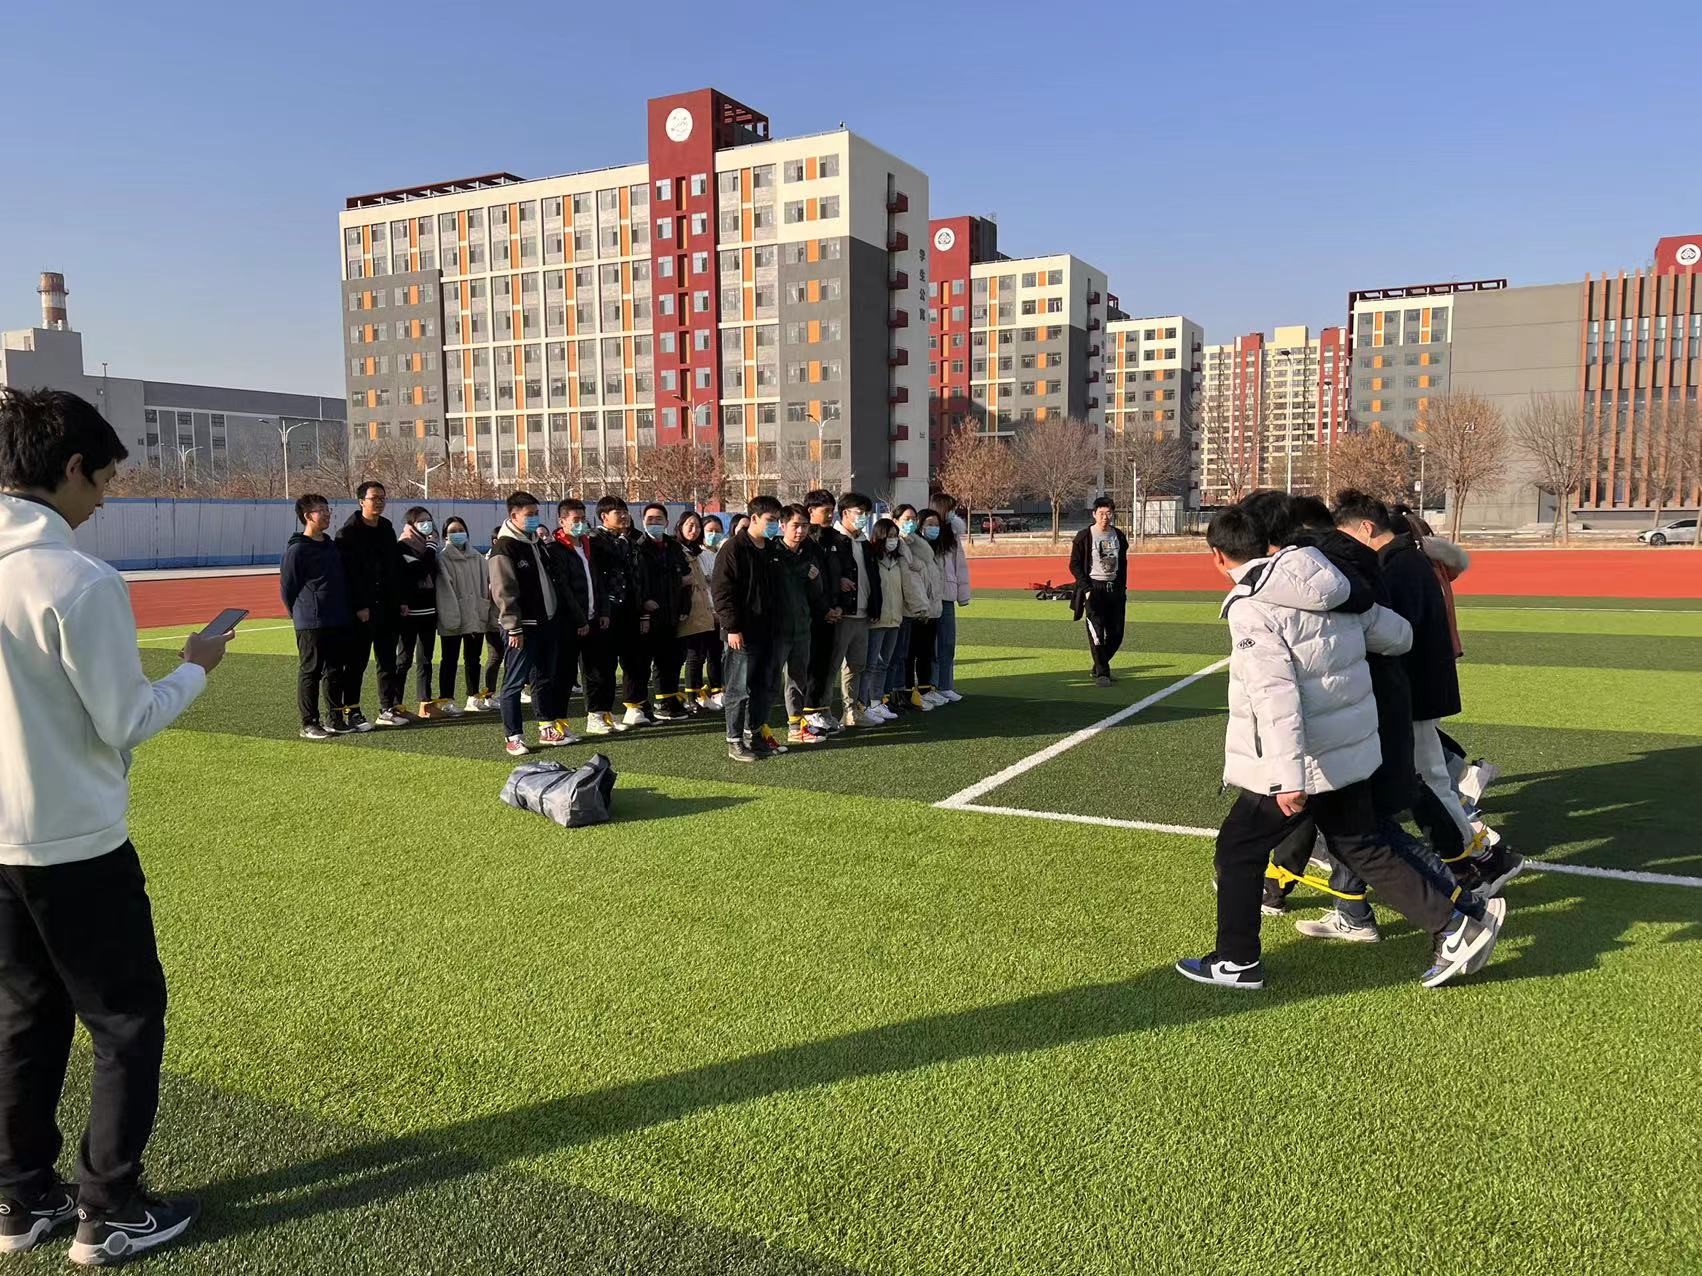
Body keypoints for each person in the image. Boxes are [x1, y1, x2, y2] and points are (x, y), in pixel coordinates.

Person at [0, 387, 227, 1263]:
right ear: (72, 468)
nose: (104, 498)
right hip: (73, 842)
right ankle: (110, 1208)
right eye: (103, 480)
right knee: (124, 1018)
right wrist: (195, 668)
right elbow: (125, 719)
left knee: (23, 1017)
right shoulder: (77, 579)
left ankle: (20, 1198)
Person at [1175, 504, 1505, 991]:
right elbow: (1398, 636)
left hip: (1303, 761)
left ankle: (1237, 960)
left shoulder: (1254, 605)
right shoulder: (1335, 585)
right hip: (1348, 752)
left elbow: (1275, 696)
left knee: (1239, 848)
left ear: (1219, 557)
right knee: (1362, 845)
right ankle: (1458, 922)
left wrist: (1286, 778)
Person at [1334, 490, 1523, 897]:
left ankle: (1486, 859)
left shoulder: (1401, 566)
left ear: (1366, 528)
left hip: (1413, 689)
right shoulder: (1407, 559)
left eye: (1347, 536)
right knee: (1431, 779)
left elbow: (1399, 634)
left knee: (1431, 781)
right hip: (1417, 687)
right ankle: (1483, 857)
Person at [488, 491, 569, 756]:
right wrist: (513, 626)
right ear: (514, 515)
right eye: (529, 515)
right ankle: (513, 736)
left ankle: (546, 727)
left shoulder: (536, 542)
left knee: (543, 677)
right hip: (522, 626)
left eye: (536, 514)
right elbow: (503, 590)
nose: (534, 519)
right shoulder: (505, 547)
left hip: (546, 622)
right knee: (514, 681)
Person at [712, 496, 783, 762]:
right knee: (738, 690)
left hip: (768, 631)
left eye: (777, 520)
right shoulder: (733, 548)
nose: (775, 525)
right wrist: (731, 627)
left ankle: (754, 734)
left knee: (763, 686)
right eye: (770, 520)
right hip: (741, 632)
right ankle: (734, 741)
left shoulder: (772, 548)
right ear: (754, 518)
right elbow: (722, 591)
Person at [280, 492, 354, 739]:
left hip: (337, 618)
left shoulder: (331, 546)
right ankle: (309, 722)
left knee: (335, 670)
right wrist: (300, 614)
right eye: (320, 510)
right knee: (311, 670)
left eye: (327, 509)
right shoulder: (298, 550)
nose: (326, 514)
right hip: (311, 621)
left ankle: (335, 718)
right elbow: (288, 588)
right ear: (307, 516)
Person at [336, 480, 408, 728]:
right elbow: (348, 575)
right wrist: (359, 605)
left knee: (387, 660)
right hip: (363, 610)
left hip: (388, 606)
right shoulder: (348, 533)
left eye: (382, 498)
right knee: (356, 663)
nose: (379, 502)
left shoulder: (386, 528)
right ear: (361, 501)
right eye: (374, 498)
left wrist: (401, 600)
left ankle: (387, 708)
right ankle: (352, 710)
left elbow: (394, 568)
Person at [827, 492, 884, 728]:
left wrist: (875, 606)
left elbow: (874, 578)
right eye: (859, 513)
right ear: (845, 513)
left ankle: (851, 711)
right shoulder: (833, 540)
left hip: (863, 614)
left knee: (856, 665)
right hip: (842, 614)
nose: (864, 518)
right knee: (832, 665)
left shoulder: (864, 542)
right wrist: (838, 584)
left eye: (866, 513)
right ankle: (823, 712)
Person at [541, 498, 596, 737]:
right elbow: (564, 589)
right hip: (569, 623)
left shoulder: (587, 546)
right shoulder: (556, 550)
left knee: (592, 671)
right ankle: (557, 722)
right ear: (562, 521)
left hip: (592, 617)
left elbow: (596, 582)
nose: (580, 524)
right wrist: (579, 619)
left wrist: (600, 612)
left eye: (583, 519)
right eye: (575, 520)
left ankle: (596, 714)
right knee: (563, 674)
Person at [776, 503, 830, 745]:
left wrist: (814, 579)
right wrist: (801, 572)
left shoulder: (809, 553)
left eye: (805, 526)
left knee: (798, 678)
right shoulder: (773, 553)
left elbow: (816, 593)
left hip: (802, 626)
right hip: (777, 628)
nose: (800, 531)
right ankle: (755, 727)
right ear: (783, 525)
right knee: (769, 680)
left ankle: (795, 725)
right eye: (795, 525)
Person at [631, 503, 690, 722]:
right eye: (650, 519)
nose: (654, 523)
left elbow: (687, 579)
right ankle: (641, 704)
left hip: (672, 613)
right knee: (644, 662)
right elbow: (636, 580)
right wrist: (644, 604)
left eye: (658, 519)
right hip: (649, 614)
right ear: (643, 521)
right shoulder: (638, 547)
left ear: (666, 522)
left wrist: (684, 607)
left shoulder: (674, 547)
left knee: (671, 660)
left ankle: (667, 699)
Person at [587, 496, 640, 734]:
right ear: (603, 516)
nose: (624, 516)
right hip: (603, 609)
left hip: (625, 608)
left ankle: (607, 712)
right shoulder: (594, 540)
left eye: (625, 511)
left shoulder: (625, 540)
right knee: (600, 664)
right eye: (618, 512)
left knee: (617, 664)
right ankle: (594, 714)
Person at [799, 490, 847, 735]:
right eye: (825, 511)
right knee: (811, 666)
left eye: (832, 510)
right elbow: (810, 585)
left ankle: (820, 710)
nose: (830, 515)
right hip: (812, 616)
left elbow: (836, 578)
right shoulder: (806, 542)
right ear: (811, 511)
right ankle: (807, 713)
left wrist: (838, 606)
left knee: (825, 666)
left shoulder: (835, 540)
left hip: (832, 613)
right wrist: (823, 610)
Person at [434, 516, 491, 716]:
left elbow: (486, 584)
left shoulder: (477, 557)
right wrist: (451, 615)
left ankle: (473, 696)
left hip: (476, 613)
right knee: (449, 659)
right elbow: (444, 591)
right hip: (453, 613)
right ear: (445, 536)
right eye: (453, 531)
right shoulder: (443, 559)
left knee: (473, 658)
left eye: (460, 530)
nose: (458, 534)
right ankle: (446, 699)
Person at [1070, 496, 1129, 688]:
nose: (1105, 517)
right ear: (1094, 514)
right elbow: (1074, 564)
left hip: (1115, 590)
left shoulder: (1118, 536)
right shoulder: (1084, 537)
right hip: (1094, 589)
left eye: (1108, 513)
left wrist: (1122, 587)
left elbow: (1123, 563)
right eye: (1101, 513)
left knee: (1117, 634)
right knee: (1097, 633)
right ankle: (1103, 673)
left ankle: (1098, 665)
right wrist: (1086, 589)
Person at [396, 506, 442, 719]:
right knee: (404, 658)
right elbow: (419, 571)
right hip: (409, 611)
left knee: (425, 659)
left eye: (428, 520)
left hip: (429, 609)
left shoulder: (431, 546)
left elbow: (434, 572)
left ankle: (425, 703)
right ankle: (395, 704)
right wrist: (431, 549)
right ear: (411, 524)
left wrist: (431, 548)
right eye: (421, 521)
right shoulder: (403, 546)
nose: (427, 524)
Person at [676, 511, 722, 714]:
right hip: (692, 609)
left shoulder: (695, 551)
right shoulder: (681, 550)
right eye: (690, 525)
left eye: (697, 527)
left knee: (704, 653)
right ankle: (690, 697)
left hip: (705, 608)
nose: (694, 531)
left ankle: (700, 694)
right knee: (694, 655)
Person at [861, 516, 904, 723]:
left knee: (884, 663)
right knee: (871, 664)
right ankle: (865, 703)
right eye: (889, 536)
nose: (893, 540)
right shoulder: (872, 559)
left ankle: (877, 701)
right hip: (876, 619)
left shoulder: (897, 560)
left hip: (894, 619)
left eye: (895, 536)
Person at [902, 509, 946, 709]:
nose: (934, 528)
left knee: (926, 652)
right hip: (917, 609)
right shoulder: (910, 547)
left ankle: (926, 689)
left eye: (936, 524)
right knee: (912, 653)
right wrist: (921, 606)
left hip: (932, 608)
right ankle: (909, 691)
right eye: (929, 524)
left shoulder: (933, 550)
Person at [931, 496, 971, 703]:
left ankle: (946, 685)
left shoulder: (953, 534)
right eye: (951, 509)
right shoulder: (928, 532)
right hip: (929, 597)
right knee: (931, 645)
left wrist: (963, 595)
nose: (953, 513)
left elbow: (960, 566)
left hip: (947, 595)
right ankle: (931, 686)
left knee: (947, 643)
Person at [885, 504, 923, 712]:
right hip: (899, 606)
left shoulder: (909, 544)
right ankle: (888, 695)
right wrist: (919, 605)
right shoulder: (896, 545)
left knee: (901, 654)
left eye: (914, 519)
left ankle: (899, 693)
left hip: (906, 607)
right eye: (907, 519)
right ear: (895, 520)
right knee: (893, 655)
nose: (911, 523)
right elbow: (906, 579)